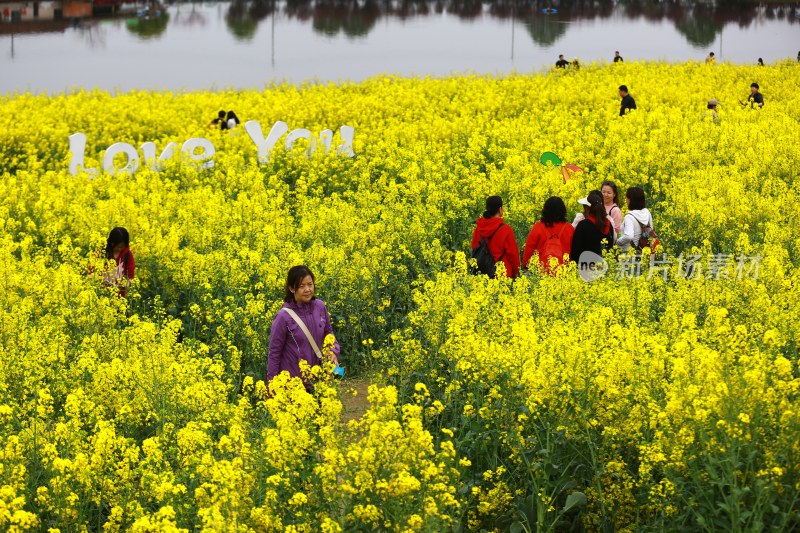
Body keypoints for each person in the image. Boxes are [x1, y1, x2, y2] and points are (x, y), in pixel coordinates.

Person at [267, 265, 340, 388]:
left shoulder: (320, 306)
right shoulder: (283, 317)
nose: (307, 289)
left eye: (310, 284)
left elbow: (329, 332)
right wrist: (272, 386)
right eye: (301, 286)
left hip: (320, 380)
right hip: (294, 385)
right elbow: (274, 353)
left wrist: (333, 351)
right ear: (291, 288)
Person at [471, 196, 520, 278]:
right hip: (502, 275)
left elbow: (475, 249)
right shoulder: (506, 229)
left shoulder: (478, 228)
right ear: (500, 209)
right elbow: (512, 254)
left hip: (482, 274)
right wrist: (516, 272)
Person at [522, 196, 575, 273]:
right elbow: (574, 250)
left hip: (541, 271)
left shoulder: (538, 226)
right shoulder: (569, 228)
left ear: (545, 210)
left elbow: (529, 248)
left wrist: (525, 266)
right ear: (563, 210)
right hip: (564, 271)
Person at [571, 191, 615, 265]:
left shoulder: (583, 225)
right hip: (604, 267)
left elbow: (575, 250)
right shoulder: (608, 224)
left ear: (588, 208)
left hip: (585, 268)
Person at [616, 187, 655, 254]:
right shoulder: (647, 212)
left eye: (627, 198)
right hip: (645, 252)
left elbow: (629, 236)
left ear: (630, 200)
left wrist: (617, 242)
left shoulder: (629, 217)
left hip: (629, 254)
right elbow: (651, 229)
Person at [104, 227, 135, 297]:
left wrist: (124, 285)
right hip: (101, 295)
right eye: (118, 246)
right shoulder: (102, 252)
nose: (119, 249)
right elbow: (90, 273)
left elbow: (131, 278)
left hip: (119, 298)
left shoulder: (127, 255)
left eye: (122, 247)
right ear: (112, 243)